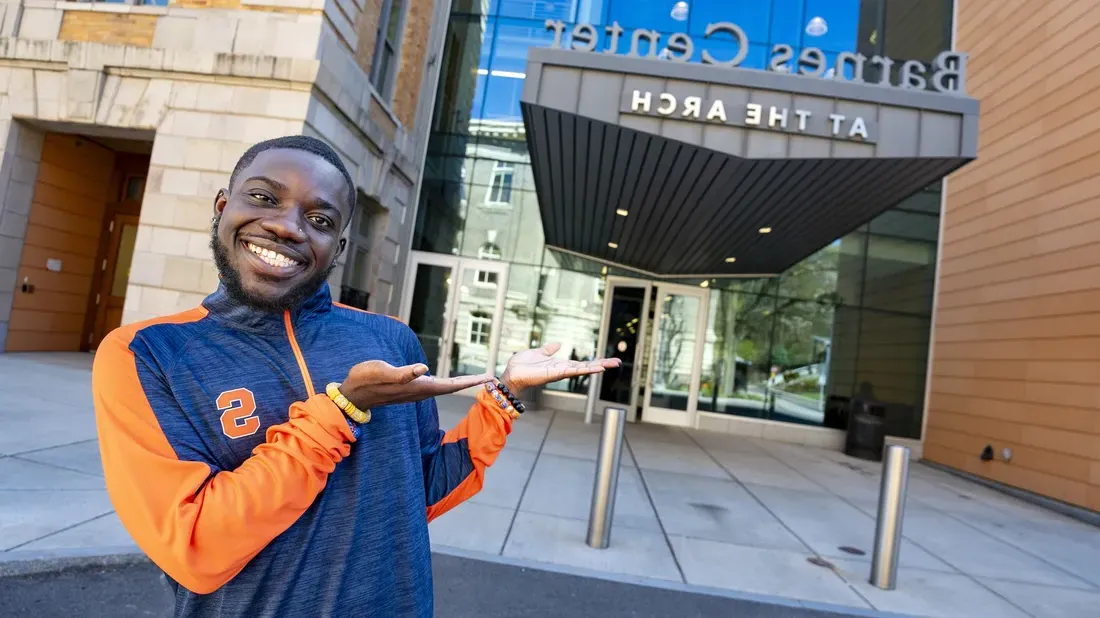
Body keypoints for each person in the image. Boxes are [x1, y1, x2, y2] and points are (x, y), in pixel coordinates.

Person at [91, 135, 620, 618]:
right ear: (223, 206)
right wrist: (339, 410)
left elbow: (422, 493)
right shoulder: (147, 354)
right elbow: (196, 546)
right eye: (264, 197)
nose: (287, 226)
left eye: (321, 221)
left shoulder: (390, 340)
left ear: (337, 250)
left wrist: (503, 397)